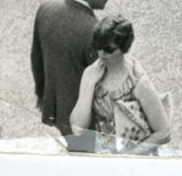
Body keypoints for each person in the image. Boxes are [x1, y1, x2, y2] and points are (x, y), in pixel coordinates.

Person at [32, 0, 118, 135]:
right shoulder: (94, 29)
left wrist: (42, 96)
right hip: (84, 120)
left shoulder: (46, 9)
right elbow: (104, 83)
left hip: (55, 108)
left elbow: (36, 58)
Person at [70, 15, 171, 154]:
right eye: (98, 47)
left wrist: (130, 155)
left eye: (109, 50)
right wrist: (89, 84)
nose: (101, 54)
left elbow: (164, 132)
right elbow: (77, 129)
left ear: (123, 48)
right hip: (107, 158)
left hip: (138, 160)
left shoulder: (138, 82)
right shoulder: (91, 73)